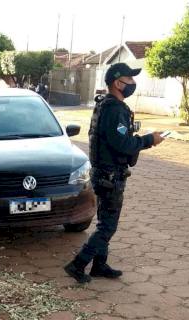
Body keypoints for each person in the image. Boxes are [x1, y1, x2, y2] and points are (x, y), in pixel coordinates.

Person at [64, 63, 165, 283]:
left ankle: (99, 265)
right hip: (110, 176)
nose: (133, 84)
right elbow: (123, 144)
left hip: (103, 173)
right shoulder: (115, 109)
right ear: (118, 83)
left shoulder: (105, 105)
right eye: (129, 80)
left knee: (104, 222)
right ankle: (78, 264)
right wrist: (150, 140)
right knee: (108, 226)